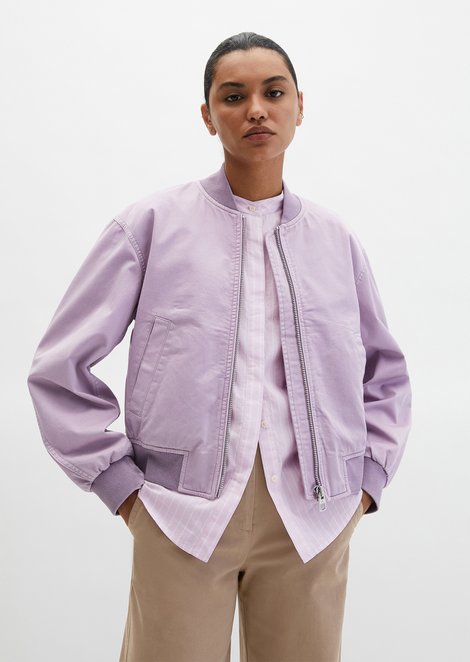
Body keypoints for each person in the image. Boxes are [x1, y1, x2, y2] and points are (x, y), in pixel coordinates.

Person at [27, 31, 412, 662]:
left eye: (274, 92)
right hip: (180, 515)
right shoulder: (150, 226)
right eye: (234, 96)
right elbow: (59, 367)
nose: (256, 109)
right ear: (208, 116)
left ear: (299, 106)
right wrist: (122, 487)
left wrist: (366, 481)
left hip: (313, 518)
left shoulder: (335, 238)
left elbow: (386, 372)